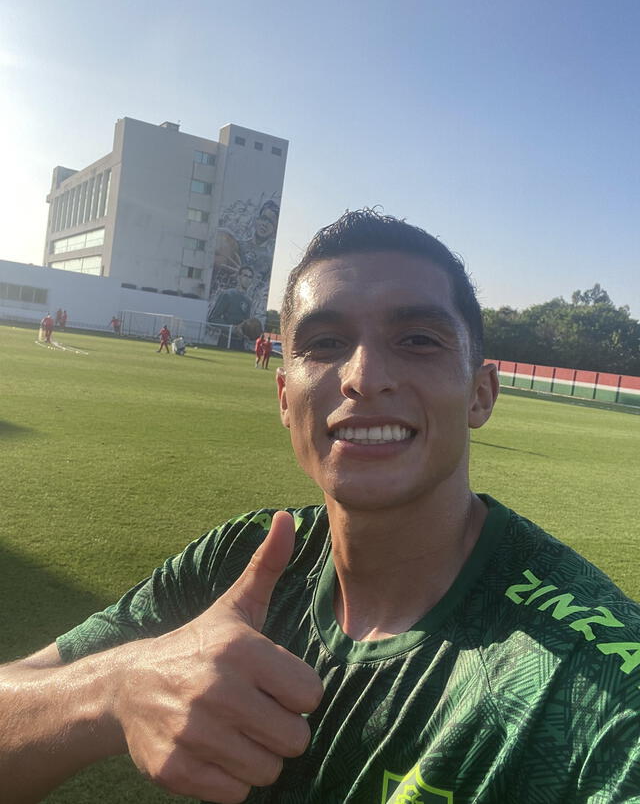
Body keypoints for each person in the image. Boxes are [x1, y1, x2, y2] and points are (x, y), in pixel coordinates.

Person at [3, 209, 640, 804]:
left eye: (418, 339)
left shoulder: (593, 680)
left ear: (480, 393)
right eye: (326, 343)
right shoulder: (240, 559)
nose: (363, 375)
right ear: (285, 397)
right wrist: (112, 690)